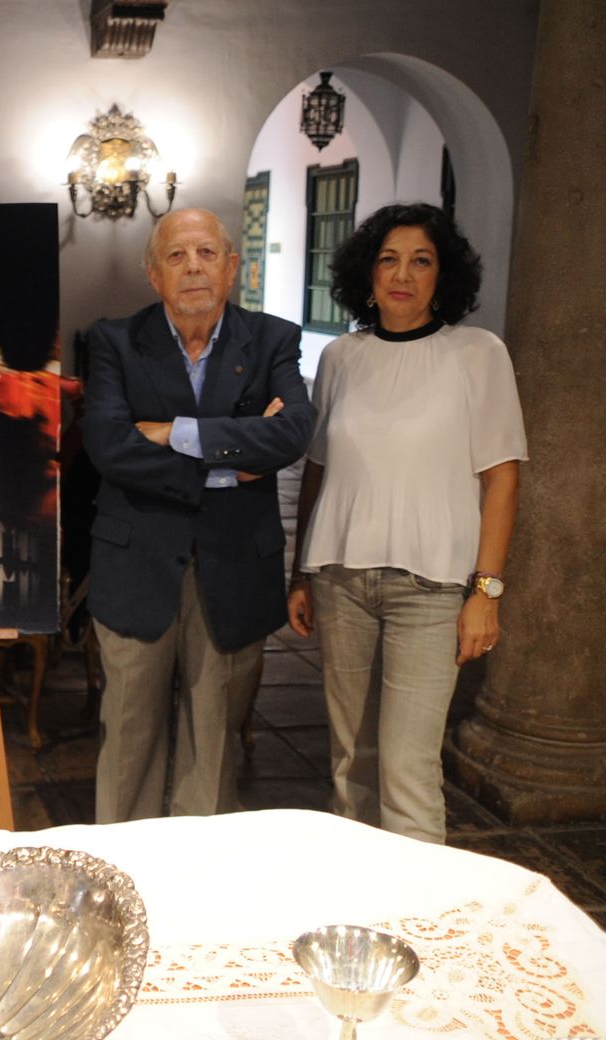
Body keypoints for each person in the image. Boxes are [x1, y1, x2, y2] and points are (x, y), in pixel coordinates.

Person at [287, 203, 524, 845]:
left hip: (433, 591)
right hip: (342, 581)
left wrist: (487, 592)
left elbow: (502, 478)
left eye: (421, 261)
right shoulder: (341, 357)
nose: (402, 275)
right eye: (388, 259)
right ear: (366, 274)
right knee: (351, 765)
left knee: (408, 770)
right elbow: (318, 471)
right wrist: (301, 573)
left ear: (442, 276)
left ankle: (421, 905)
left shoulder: (477, 353)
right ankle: (357, 898)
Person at [82, 208, 314, 823]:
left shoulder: (272, 340)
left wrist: (172, 432)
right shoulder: (113, 341)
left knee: (212, 748)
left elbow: (292, 433)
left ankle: (198, 877)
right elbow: (107, 445)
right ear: (153, 274)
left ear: (231, 267)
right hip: (136, 564)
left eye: (207, 253)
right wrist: (231, 461)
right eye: (177, 255)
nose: (193, 267)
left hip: (234, 567)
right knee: (127, 741)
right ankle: (120, 869)